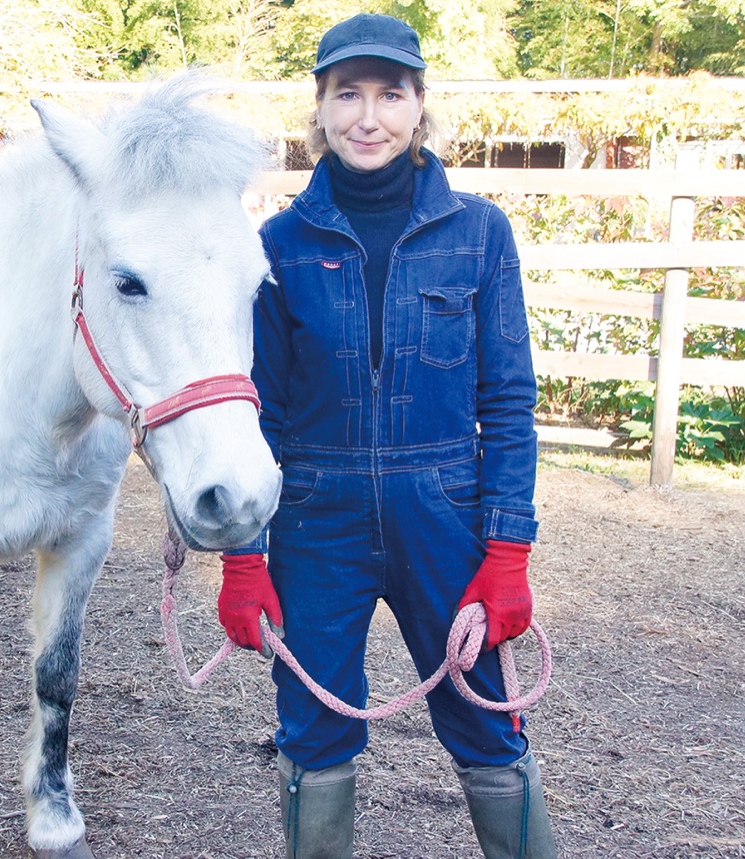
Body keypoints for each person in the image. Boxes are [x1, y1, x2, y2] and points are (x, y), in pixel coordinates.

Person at [216, 13, 558, 859]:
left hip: (445, 510)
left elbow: (509, 399)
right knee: (314, 730)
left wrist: (508, 549)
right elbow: (261, 414)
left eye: (389, 94)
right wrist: (244, 556)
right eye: (348, 95)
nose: (368, 117)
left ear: (419, 107)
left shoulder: (480, 233)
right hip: (314, 517)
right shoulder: (278, 247)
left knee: (486, 722)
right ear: (321, 109)